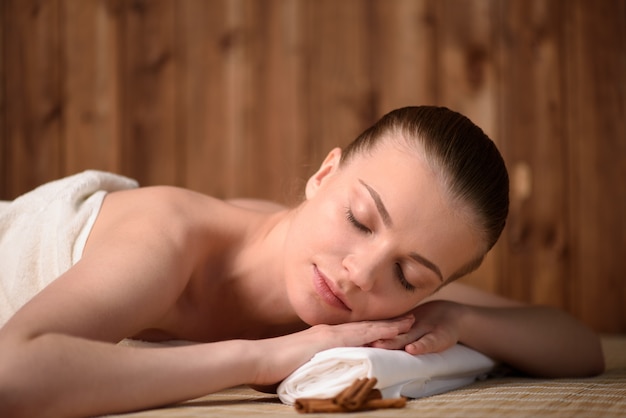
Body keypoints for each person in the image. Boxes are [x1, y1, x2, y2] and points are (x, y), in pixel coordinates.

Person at [0, 106, 603, 417]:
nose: (361, 273)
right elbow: (13, 376)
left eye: (409, 275)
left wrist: (460, 319)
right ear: (323, 174)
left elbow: (578, 344)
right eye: (359, 219)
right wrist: (259, 357)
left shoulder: (386, 302)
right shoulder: (169, 239)